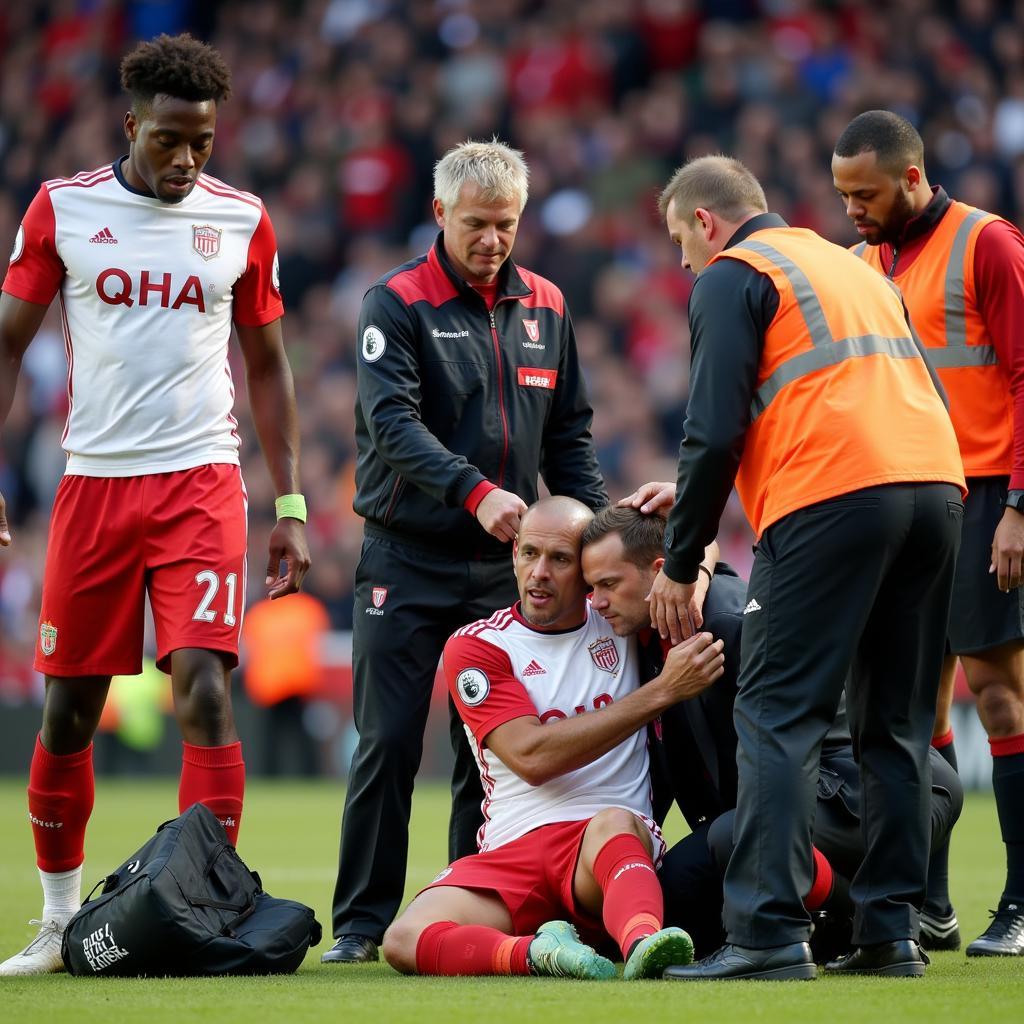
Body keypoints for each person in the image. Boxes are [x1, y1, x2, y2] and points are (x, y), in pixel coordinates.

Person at [0, 34, 309, 977]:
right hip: (94, 485)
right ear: (132, 125)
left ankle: (205, 912)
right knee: (71, 715)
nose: (185, 161)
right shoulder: (65, 208)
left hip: (201, 484)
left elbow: (268, 366)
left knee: (206, 692)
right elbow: (6, 343)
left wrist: (288, 497)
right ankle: (58, 923)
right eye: (170, 140)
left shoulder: (242, 220)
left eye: (202, 144)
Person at [645, 155, 965, 981]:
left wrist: (682, 560)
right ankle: (889, 931)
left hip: (831, 495)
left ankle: (766, 934)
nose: (683, 261)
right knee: (892, 723)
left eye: (682, 240)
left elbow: (711, 432)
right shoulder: (850, 265)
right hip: (936, 490)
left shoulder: (733, 275)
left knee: (775, 717)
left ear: (706, 222)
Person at [324, 140, 608, 964]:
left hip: (507, 567)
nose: (493, 240)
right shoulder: (397, 301)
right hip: (406, 557)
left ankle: (466, 907)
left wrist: (587, 528)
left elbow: (572, 434)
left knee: (488, 754)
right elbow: (391, 424)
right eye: (478, 223)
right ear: (441, 214)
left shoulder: (547, 306)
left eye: (507, 224)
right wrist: (474, 491)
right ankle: (362, 924)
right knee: (387, 741)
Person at [580, 503, 963, 963]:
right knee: (675, 899)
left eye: (607, 585)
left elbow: (806, 744)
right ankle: (827, 930)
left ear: (659, 572)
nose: (595, 602)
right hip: (768, 817)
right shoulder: (644, 640)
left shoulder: (731, 622)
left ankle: (877, 918)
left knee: (739, 832)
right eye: (590, 587)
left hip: (872, 796)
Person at [380, 496, 724, 980]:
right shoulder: (478, 644)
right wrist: (661, 692)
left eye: (560, 559)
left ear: (585, 570)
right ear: (513, 555)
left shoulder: (621, 619)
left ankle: (645, 943)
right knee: (403, 939)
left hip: (602, 848)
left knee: (614, 824)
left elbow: (687, 555)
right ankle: (541, 954)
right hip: (511, 850)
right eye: (529, 554)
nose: (539, 572)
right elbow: (531, 757)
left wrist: (689, 532)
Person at [833, 110, 1024, 958]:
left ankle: (1020, 903)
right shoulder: (860, 262)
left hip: (988, 494)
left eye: (865, 194)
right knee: (908, 702)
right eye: (843, 196)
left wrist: (1021, 505)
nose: (853, 211)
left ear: (912, 178)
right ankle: (929, 902)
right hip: (909, 493)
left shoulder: (988, 245)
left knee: (997, 688)